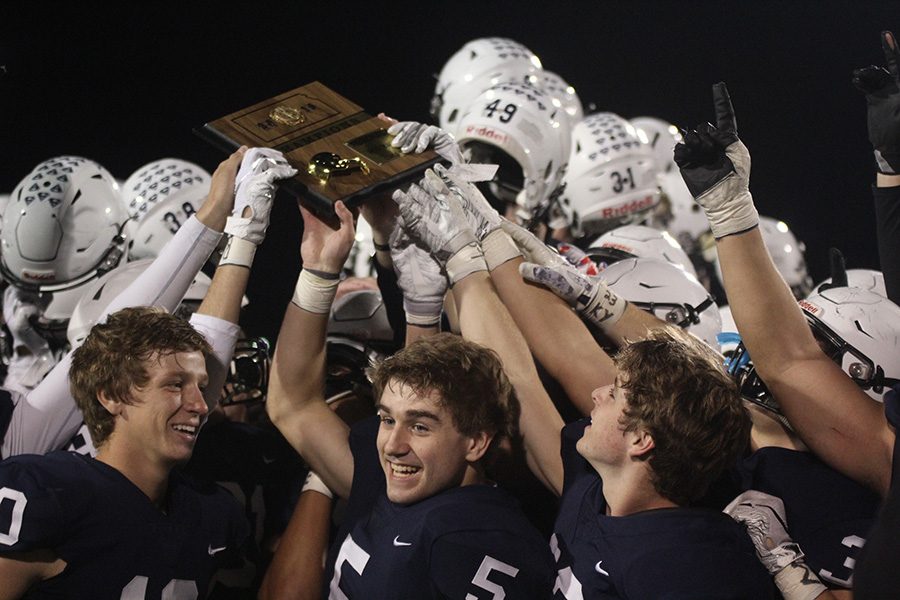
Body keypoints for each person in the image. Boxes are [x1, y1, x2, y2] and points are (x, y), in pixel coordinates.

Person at [390, 167, 773, 598]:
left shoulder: (693, 564)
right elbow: (525, 377)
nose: (596, 391)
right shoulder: (595, 491)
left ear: (642, 439)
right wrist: (479, 246)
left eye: (614, 392)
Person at [265, 196, 554, 598]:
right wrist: (319, 269)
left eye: (420, 426)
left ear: (476, 441)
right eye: (387, 419)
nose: (393, 446)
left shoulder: (481, 540)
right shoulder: (397, 478)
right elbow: (292, 404)